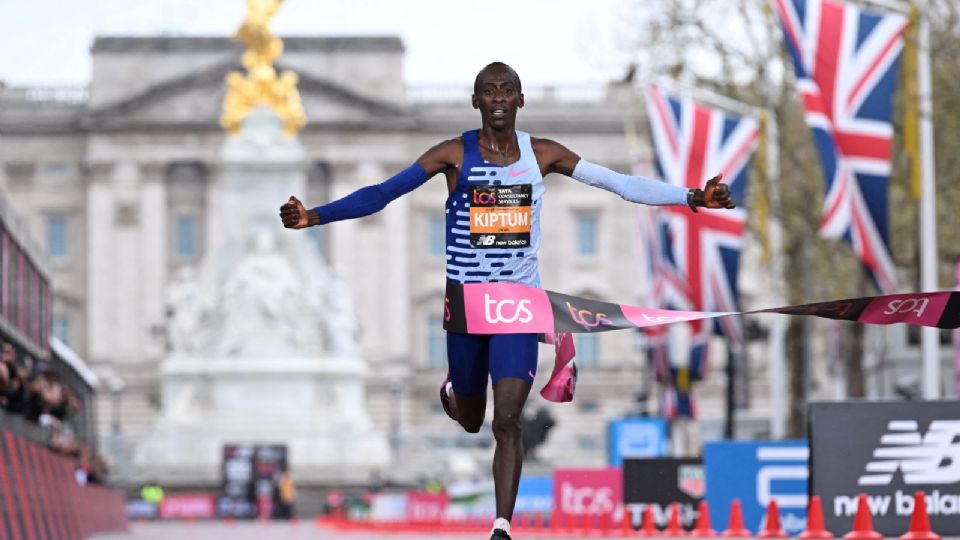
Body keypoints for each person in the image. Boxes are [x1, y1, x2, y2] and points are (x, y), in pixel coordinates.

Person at [280, 62, 735, 540]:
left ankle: (502, 526)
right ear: (476, 102)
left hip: (518, 303)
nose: (498, 97)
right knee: (474, 420)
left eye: (508, 90)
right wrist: (315, 216)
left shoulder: (543, 155)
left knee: (509, 417)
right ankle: (455, 395)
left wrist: (691, 196)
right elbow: (382, 193)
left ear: (520, 100)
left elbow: (617, 182)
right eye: (488, 90)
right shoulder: (453, 154)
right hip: (467, 305)